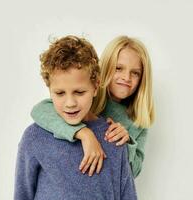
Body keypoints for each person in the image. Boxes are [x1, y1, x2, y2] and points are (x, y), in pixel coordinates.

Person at [14, 35, 137, 200]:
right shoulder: (35, 137)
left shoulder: (114, 138)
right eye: (59, 93)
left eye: (79, 92)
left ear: (95, 86)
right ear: (49, 89)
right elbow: (22, 195)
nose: (70, 103)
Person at [31, 35, 155, 178]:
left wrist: (127, 142)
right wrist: (84, 133)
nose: (126, 78)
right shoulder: (86, 97)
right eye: (119, 68)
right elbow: (40, 110)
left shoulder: (139, 121)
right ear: (106, 68)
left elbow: (133, 173)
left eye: (135, 73)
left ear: (142, 78)